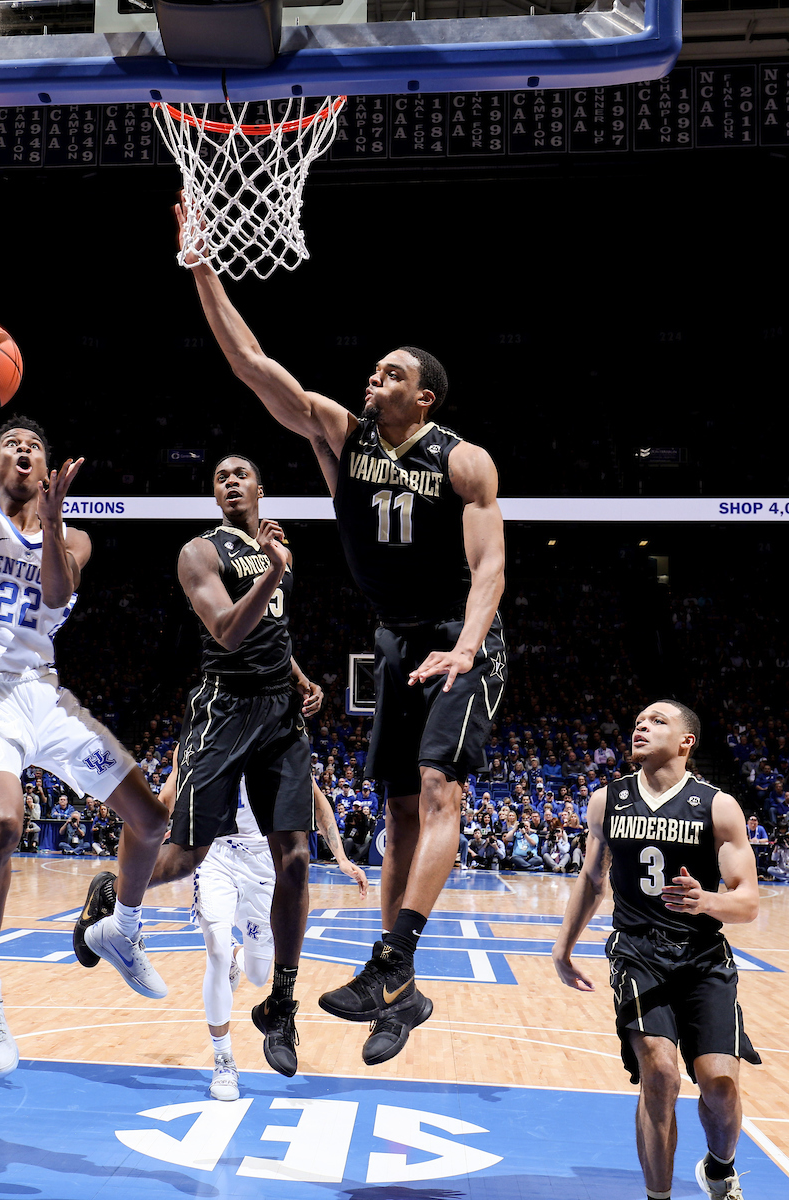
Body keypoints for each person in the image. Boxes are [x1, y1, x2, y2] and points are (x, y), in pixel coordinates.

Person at [176, 205, 506, 1066]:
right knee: (398, 814)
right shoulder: (343, 437)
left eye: (390, 373)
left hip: (457, 633)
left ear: (423, 396)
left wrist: (468, 646)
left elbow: (492, 571)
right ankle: (398, 989)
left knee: (439, 792)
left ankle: (393, 960)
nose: (373, 378)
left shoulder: (464, 462)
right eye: (374, 369)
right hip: (397, 639)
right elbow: (253, 365)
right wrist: (202, 265)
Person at [0, 345, 170, 1080]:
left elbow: (56, 595)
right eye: (11, 445)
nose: (24, 450)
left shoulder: (73, 535)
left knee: (150, 821)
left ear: (49, 470)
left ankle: (123, 925)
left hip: (45, 695)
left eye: (35, 447)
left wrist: (52, 522)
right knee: (4, 820)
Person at [74, 454, 322, 1077]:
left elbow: (273, 631)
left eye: (242, 472)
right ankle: (112, 892)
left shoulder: (273, 549)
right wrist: (272, 572)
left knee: (294, 855)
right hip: (224, 710)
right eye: (221, 476)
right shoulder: (198, 553)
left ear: (262, 488)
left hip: (279, 714)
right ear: (215, 495)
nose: (232, 480)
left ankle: (283, 1003)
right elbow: (228, 632)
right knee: (185, 855)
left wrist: (296, 675)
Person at [552, 701, 760, 1200]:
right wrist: (563, 949)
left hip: (704, 955)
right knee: (662, 1073)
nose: (641, 726)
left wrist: (707, 901)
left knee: (720, 1086)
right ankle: (658, 1197)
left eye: (657, 721)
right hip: (637, 952)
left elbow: (748, 901)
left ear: (687, 741)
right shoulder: (608, 800)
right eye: (638, 721)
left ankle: (720, 1165)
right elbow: (591, 878)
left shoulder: (717, 805)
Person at [159, 748, 368, 1100]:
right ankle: (224, 1061)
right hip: (216, 855)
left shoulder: (278, 734)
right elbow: (167, 795)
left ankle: (239, 958)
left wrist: (343, 859)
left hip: (264, 863)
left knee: (257, 974)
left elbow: (317, 803)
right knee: (216, 950)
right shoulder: (207, 728)